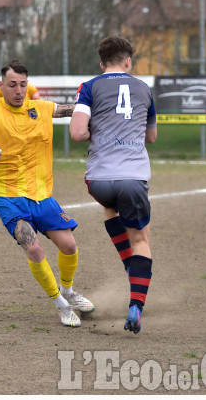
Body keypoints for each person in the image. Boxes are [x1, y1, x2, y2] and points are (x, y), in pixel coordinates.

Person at [0, 60, 94, 328]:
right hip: (6, 194)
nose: (18, 90)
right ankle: (61, 304)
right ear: (1, 86)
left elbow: (73, 110)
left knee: (69, 245)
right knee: (33, 247)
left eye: (23, 85)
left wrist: (101, 103)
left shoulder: (41, 108)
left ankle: (69, 291)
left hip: (40, 193)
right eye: (12, 85)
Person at [69, 35, 157, 334]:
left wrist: (98, 127)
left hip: (99, 180)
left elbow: (78, 133)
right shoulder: (144, 88)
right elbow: (151, 137)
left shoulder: (90, 87)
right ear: (128, 61)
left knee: (110, 208)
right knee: (141, 240)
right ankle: (136, 304)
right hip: (133, 178)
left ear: (101, 62)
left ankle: (132, 270)